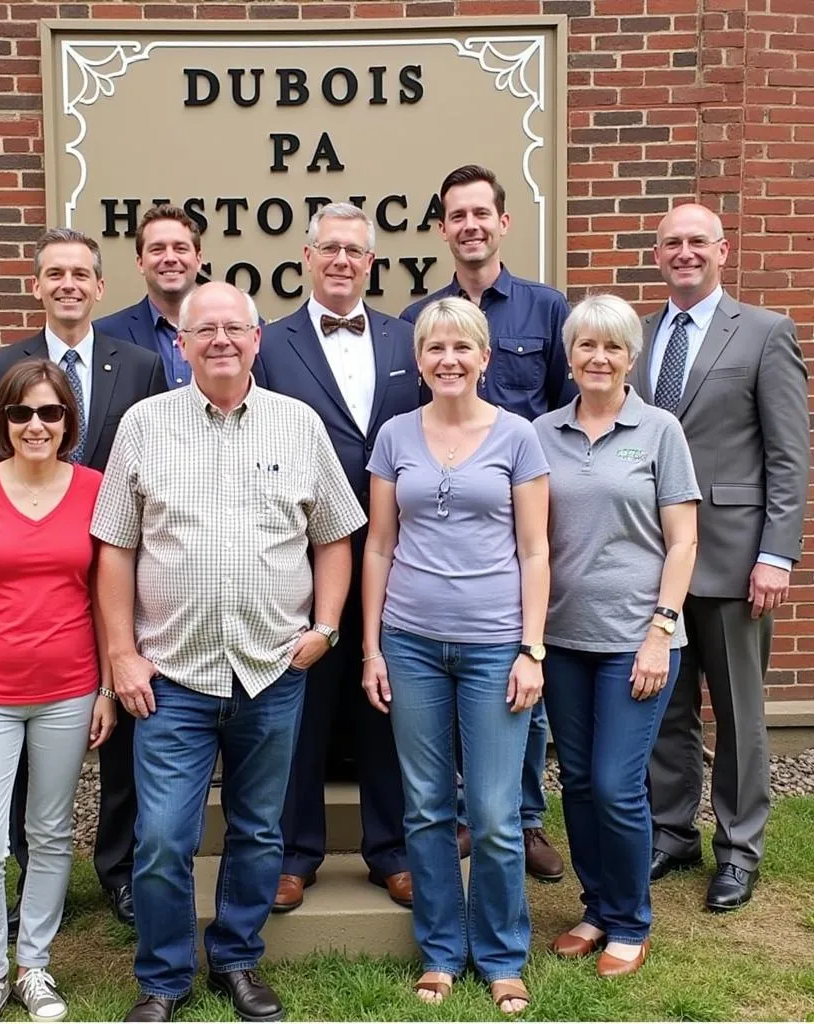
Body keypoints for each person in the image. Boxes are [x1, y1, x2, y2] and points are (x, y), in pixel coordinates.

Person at [92, 282, 366, 1023]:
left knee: (257, 829)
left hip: (272, 669)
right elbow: (114, 548)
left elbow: (335, 534)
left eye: (234, 328)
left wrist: (327, 627)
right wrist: (120, 654)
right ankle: (164, 976)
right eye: (203, 329)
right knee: (161, 839)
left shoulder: (298, 424)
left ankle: (238, 958)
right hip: (171, 676)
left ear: (257, 340)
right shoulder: (144, 425)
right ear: (180, 344)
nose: (220, 339)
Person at [362, 297, 550, 1014]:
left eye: (462, 348)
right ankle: (441, 950)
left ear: (484, 358)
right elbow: (380, 544)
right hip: (409, 642)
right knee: (427, 807)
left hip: (495, 643)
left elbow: (535, 551)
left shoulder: (518, 437)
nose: (448, 359)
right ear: (419, 359)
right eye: (435, 348)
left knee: (499, 815)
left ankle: (502, 955)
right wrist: (372, 647)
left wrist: (532, 648)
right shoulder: (394, 436)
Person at [0, 228, 165, 936]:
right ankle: (30, 871)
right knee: (26, 740)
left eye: (80, 274)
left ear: (98, 285)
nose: (68, 284)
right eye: (54, 273)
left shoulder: (140, 363)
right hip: (32, 563)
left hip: (115, 561)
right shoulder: (1, 366)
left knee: (116, 734)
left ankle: (117, 871)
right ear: (36, 285)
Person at [632, 203, 810, 911]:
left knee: (739, 712)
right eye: (671, 242)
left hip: (738, 562)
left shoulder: (765, 333)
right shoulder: (638, 337)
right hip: (656, 559)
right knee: (667, 710)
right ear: (657, 255)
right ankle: (672, 833)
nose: (684, 252)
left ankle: (739, 850)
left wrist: (777, 554)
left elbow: (788, 456)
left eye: (696, 241)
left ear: (722, 250)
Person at [401, 164, 576, 883]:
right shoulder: (427, 316)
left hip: (528, 511)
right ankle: (470, 819)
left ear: (504, 222)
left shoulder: (545, 308)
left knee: (518, 682)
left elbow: (568, 409)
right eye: (456, 215)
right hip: (448, 519)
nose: (470, 225)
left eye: (482, 213)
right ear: (442, 228)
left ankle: (521, 820)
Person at [0, 359, 117, 1024]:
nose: (35, 425)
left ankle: (33, 964)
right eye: (21, 413)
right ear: (3, 420)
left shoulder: (95, 489)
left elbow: (105, 596)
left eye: (50, 412)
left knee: (49, 833)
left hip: (69, 688)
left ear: (68, 420)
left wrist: (103, 687)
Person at [257, 202, 420, 914]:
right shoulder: (268, 343)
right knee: (302, 697)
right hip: (298, 552)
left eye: (356, 251)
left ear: (372, 262)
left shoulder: (407, 340)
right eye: (330, 249)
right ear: (306, 256)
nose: (343, 261)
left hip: (396, 551)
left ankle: (394, 849)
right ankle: (294, 853)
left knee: (386, 699)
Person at [534, 294, 700, 977]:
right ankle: (597, 906)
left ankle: (632, 919)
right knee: (574, 780)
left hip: (638, 638)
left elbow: (684, 539)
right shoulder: (540, 432)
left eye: (612, 347)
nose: (598, 358)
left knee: (615, 783)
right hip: (564, 636)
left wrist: (661, 630)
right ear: (569, 357)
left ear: (631, 357)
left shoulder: (659, 430)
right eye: (586, 347)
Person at [94, 204, 203, 389]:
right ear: (140, 263)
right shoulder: (104, 336)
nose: (170, 258)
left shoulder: (241, 329)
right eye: (157, 249)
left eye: (180, 248)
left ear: (198, 260)